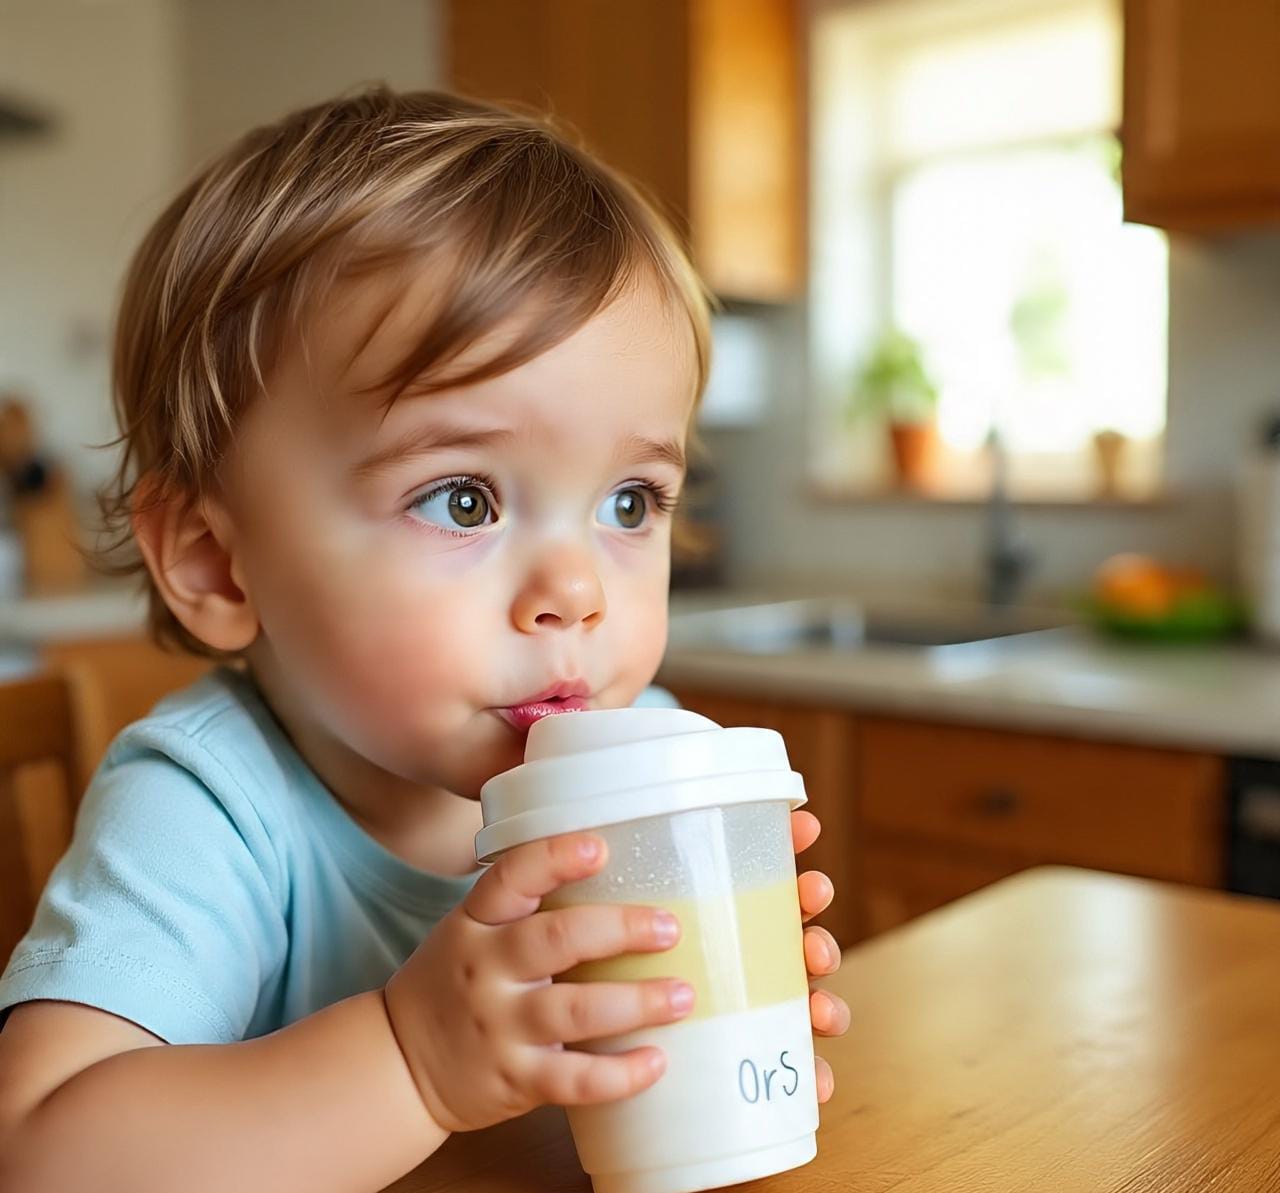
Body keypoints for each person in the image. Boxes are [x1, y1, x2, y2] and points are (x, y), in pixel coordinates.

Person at [0, 88, 850, 1192]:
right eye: (461, 498)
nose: (576, 591)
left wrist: (713, 1019)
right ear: (216, 561)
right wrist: (417, 1059)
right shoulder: (210, 803)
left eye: (630, 501)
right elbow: (41, 1155)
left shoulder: (633, 750)